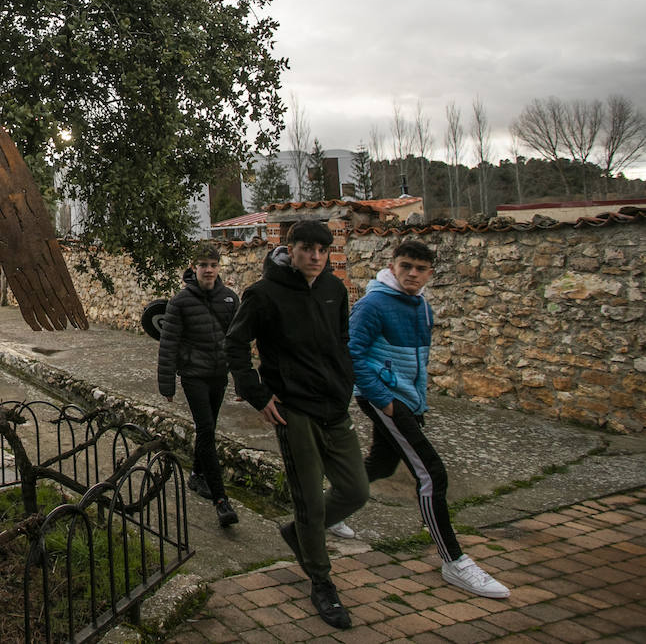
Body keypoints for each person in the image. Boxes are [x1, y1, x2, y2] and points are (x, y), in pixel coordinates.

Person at [225, 219, 367, 630]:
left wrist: (347, 380)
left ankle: (300, 533)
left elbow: (341, 340)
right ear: (291, 249)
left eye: (323, 250)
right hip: (293, 408)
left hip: (334, 406)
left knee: (355, 489)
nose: (317, 257)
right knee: (309, 498)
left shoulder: (334, 290)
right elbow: (235, 343)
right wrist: (257, 393)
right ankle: (321, 581)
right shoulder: (264, 294)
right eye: (308, 249)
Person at [349, 240, 510, 598]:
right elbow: (352, 353)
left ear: (430, 273)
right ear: (392, 265)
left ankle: (330, 505)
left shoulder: (422, 306)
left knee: (382, 463)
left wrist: (416, 401)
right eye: (405, 266)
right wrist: (385, 401)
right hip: (386, 399)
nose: (412, 274)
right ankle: (454, 560)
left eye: (420, 269)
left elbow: (419, 358)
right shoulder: (372, 304)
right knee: (432, 472)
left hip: (408, 399)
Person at [156, 246, 240, 528]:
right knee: (206, 429)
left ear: (219, 267)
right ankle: (221, 500)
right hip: (193, 375)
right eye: (203, 264)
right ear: (193, 267)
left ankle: (196, 475)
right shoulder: (180, 302)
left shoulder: (230, 299)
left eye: (213, 264)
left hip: (219, 374)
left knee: (209, 429)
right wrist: (166, 384)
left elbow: (237, 343)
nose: (208, 270)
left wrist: (240, 382)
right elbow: (168, 345)